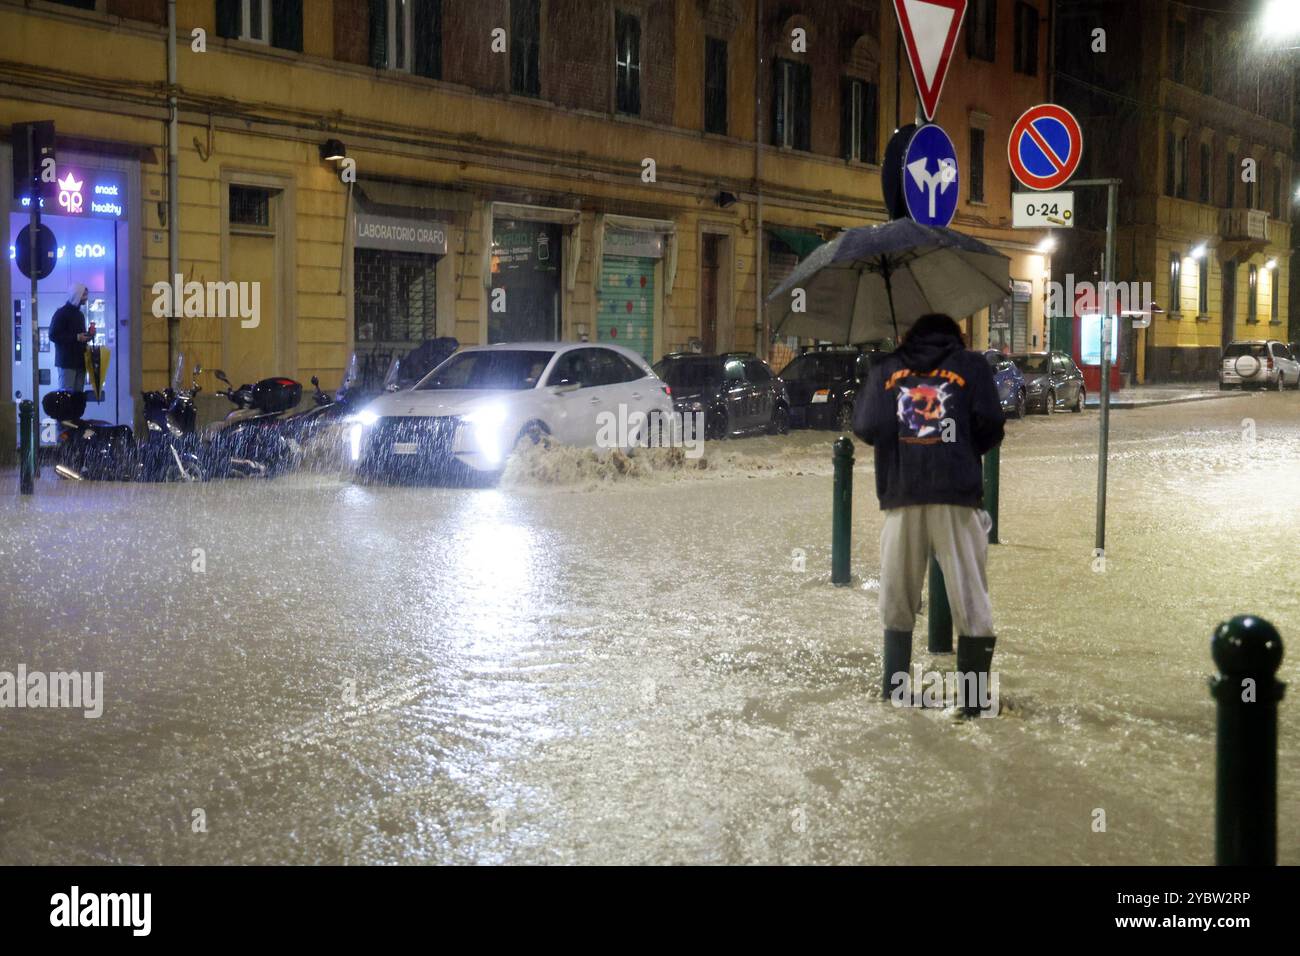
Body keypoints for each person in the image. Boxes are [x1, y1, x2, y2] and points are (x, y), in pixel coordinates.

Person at [853, 313, 1005, 716]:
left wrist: (902, 419)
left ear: (909, 336)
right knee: (970, 598)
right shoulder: (971, 366)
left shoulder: (885, 368)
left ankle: (895, 693)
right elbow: (992, 424)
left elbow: (867, 426)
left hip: (902, 495)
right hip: (956, 495)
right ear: (954, 335)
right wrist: (961, 446)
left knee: (897, 596)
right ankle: (973, 704)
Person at [49, 284, 90, 393]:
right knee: (66, 396)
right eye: (84, 295)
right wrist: (77, 337)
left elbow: (79, 337)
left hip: (80, 362)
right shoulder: (61, 313)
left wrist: (89, 336)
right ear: (77, 295)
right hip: (67, 363)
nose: (86, 298)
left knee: (77, 397)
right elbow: (53, 335)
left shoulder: (80, 315)